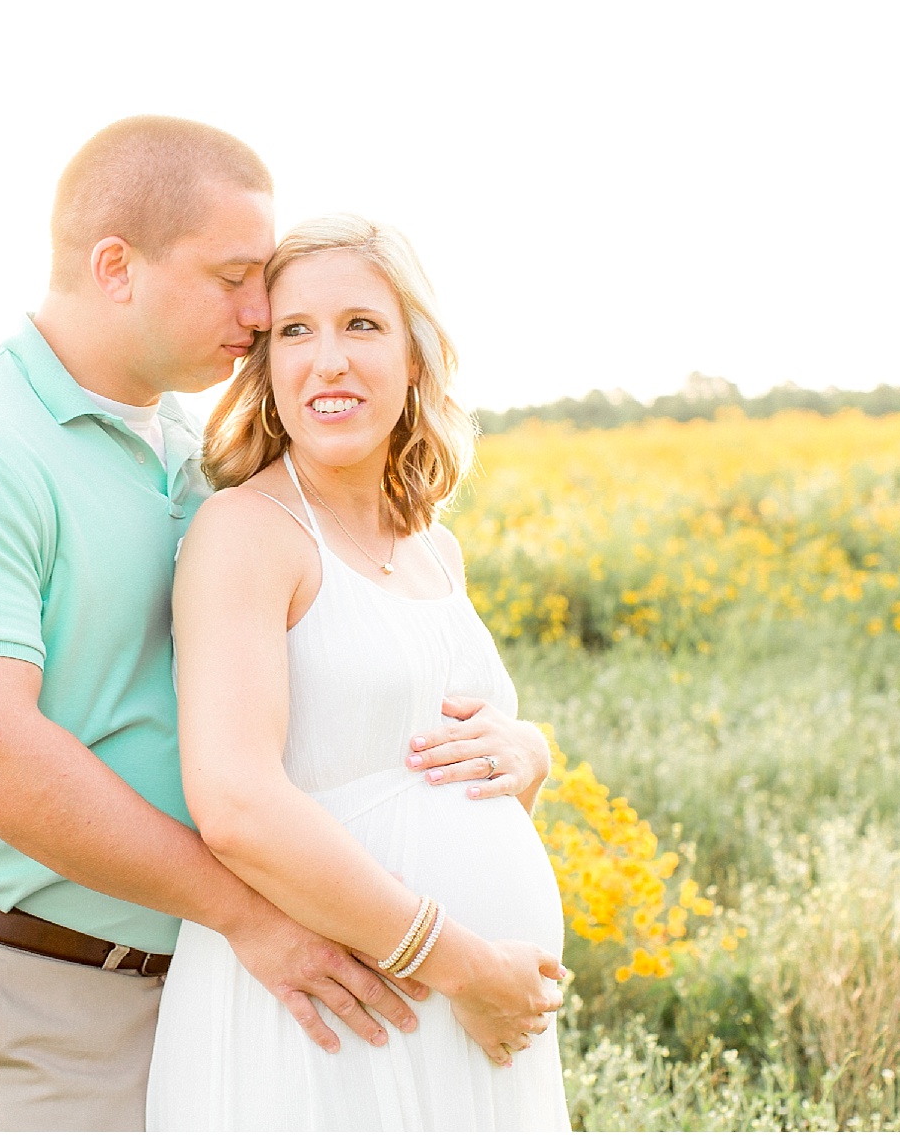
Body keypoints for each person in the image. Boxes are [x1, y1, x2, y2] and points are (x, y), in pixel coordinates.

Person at [0, 118, 555, 1131]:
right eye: (234, 279)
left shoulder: (181, 448)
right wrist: (255, 916)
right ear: (116, 266)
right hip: (8, 980)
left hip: (179, 980)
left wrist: (521, 744)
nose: (262, 315)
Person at [145, 215, 572, 1130]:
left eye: (362, 325)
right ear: (265, 368)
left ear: (415, 356)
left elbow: (429, 761)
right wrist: (464, 965)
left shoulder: (433, 547)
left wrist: (529, 753)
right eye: (295, 330)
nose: (327, 358)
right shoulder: (246, 534)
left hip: (463, 1018)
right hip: (343, 1021)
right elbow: (237, 805)